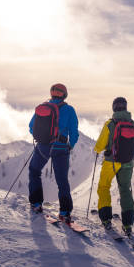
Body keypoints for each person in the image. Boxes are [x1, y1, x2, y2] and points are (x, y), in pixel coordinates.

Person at [28, 83, 79, 223]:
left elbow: (31, 126)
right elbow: (74, 132)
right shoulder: (69, 110)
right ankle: (65, 212)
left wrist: (42, 138)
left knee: (34, 171)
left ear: (52, 93)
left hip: (43, 147)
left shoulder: (43, 108)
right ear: (64, 94)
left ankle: (36, 204)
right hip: (61, 148)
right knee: (62, 180)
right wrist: (70, 146)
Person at [94, 97, 134, 235]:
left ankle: (106, 218)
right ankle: (127, 224)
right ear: (126, 107)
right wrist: (131, 158)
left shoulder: (110, 124)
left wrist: (97, 150)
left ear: (114, 108)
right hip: (127, 163)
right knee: (125, 189)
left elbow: (100, 144)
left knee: (104, 187)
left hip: (111, 162)